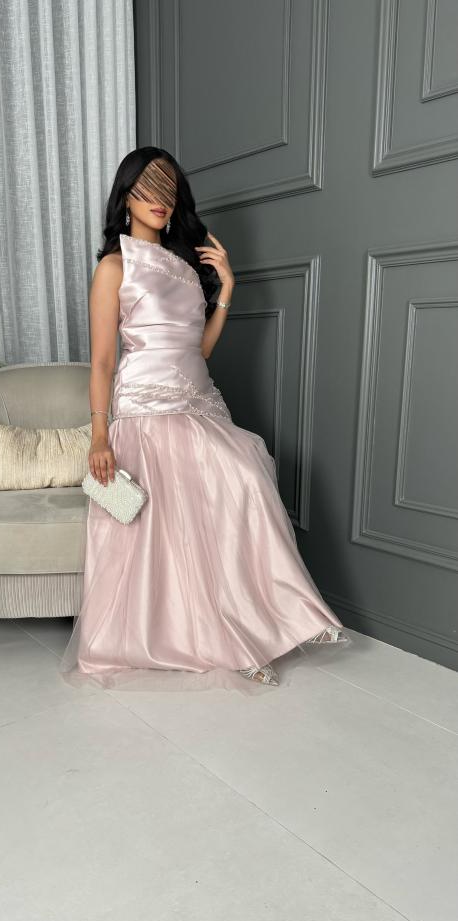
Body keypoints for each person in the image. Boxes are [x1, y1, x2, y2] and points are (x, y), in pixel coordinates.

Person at [59, 147, 352, 696]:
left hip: (200, 402)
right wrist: (100, 435)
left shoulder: (185, 266)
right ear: (126, 196)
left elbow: (200, 350)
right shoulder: (115, 267)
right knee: (171, 536)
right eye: (147, 187)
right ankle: (226, 644)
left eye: (168, 189)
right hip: (146, 411)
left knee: (238, 492)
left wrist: (227, 292)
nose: (160, 199)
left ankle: (269, 623)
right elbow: (101, 362)